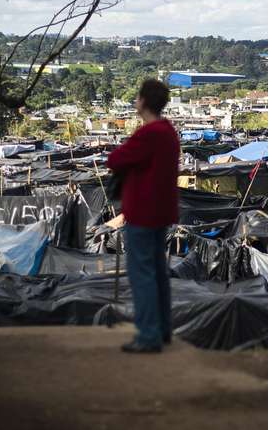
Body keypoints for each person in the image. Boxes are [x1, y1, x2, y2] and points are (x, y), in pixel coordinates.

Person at [107, 79, 180, 354]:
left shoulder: (150, 134)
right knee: (158, 273)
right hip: (161, 211)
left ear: (144, 102)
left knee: (142, 275)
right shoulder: (168, 131)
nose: (135, 102)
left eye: (137, 98)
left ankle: (149, 335)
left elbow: (115, 159)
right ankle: (161, 330)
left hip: (142, 212)